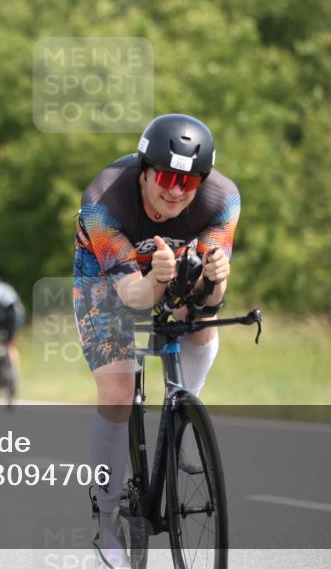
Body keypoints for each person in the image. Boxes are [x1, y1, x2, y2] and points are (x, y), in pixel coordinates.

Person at [73, 114, 240, 568]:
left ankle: (185, 413)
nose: (176, 191)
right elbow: (133, 297)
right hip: (108, 280)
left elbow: (210, 298)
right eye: (166, 178)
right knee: (117, 393)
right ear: (144, 171)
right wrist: (156, 280)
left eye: (189, 182)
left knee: (202, 319)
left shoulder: (222, 199)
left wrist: (215, 280)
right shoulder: (103, 201)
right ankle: (107, 519)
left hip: (173, 264)